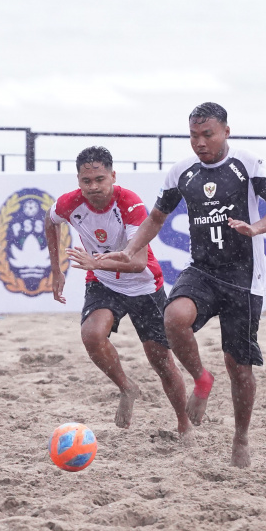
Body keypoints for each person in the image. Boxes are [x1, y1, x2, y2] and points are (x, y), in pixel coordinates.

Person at [104, 102, 266, 467]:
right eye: (194, 135)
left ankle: (240, 439)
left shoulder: (247, 163)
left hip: (243, 276)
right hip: (202, 270)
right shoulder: (182, 172)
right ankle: (201, 379)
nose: (200, 142)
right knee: (174, 318)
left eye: (208, 134)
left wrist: (255, 228)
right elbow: (156, 218)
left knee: (239, 367)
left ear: (226, 131)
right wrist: (131, 248)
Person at [43, 146, 192, 438]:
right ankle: (126, 386)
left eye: (100, 179)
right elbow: (50, 221)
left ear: (113, 175)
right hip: (103, 282)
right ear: (78, 180)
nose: (94, 187)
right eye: (87, 181)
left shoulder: (130, 203)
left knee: (162, 362)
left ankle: (184, 425)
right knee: (91, 335)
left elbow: (136, 263)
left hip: (144, 286)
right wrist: (56, 270)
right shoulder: (70, 203)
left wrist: (95, 260)